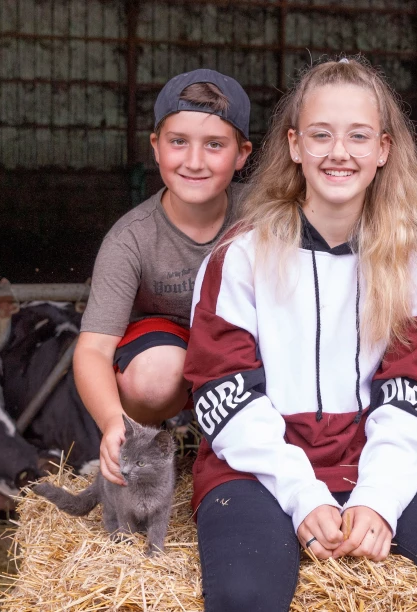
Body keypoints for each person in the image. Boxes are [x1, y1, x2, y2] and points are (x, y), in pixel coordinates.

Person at [184, 58, 417, 612]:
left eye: (358, 136)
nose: (339, 152)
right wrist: (301, 495)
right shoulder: (241, 256)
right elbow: (224, 395)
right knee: (244, 596)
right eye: (321, 135)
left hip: (371, 456)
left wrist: (378, 498)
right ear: (295, 146)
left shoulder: (406, 264)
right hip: (256, 467)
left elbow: (409, 395)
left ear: (384, 149)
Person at [74, 69, 253, 486]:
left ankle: (226, 439)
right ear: (156, 147)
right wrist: (111, 421)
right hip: (171, 351)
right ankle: (153, 437)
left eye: (214, 145)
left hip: (244, 348)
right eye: (178, 142)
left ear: (242, 154)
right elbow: (93, 350)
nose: (194, 161)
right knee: (154, 375)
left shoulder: (265, 216)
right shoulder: (130, 239)